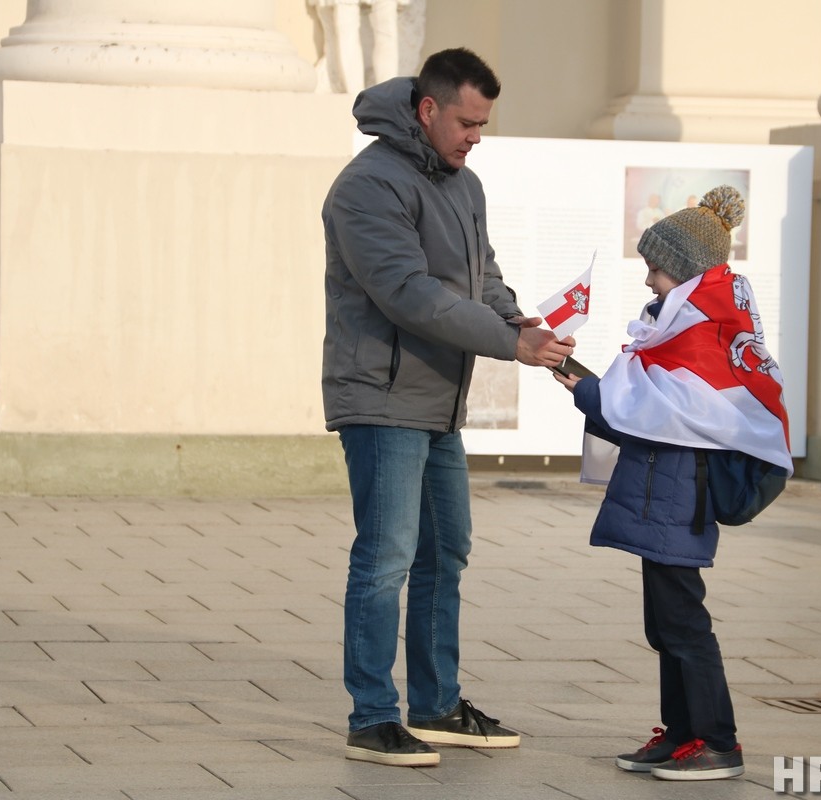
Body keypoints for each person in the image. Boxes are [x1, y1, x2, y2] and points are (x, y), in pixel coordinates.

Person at [320, 47, 576, 768]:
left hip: (438, 402)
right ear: (428, 109)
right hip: (382, 397)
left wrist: (517, 320)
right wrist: (504, 343)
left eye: (484, 124)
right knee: (386, 557)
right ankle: (372, 717)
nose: (476, 136)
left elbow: (479, 276)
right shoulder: (367, 187)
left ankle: (435, 707)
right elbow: (407, 292)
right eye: (467, 121)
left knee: (446, 551)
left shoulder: (464, 185)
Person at [552, 186, 792, 781]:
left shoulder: (698, 340)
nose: (648, 281)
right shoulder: (682, 331)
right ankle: (682, 733)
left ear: (683, 272)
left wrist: (577, 384)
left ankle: (718, 742)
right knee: (665, 625)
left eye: (655, 268)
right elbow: (643, 410)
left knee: (683, 623)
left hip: (678, 501)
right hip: (664, 497)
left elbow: (648, 417)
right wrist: (584, 383)